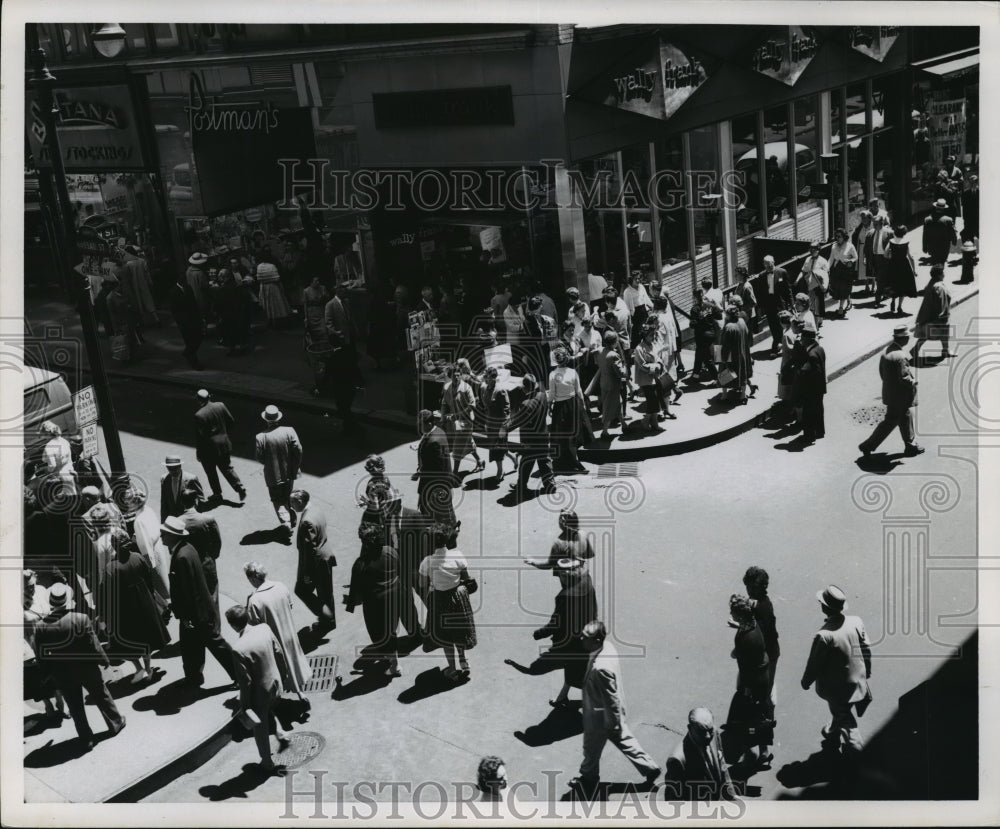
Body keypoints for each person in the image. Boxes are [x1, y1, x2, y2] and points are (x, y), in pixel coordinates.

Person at [570, 620, 660, 795]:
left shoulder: (601, 668)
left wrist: (612, 722)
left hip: (600, 717)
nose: (581, 638)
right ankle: (650, 768)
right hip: (610, 715)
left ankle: (588, 779)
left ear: (597, 640)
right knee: (624, 739)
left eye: (585, 637)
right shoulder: (607, 647)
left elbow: (611, 698)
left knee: (591, 749)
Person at [33, 583, 126, 750]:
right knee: (101, 696)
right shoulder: (81, 618)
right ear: (68, 601)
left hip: (62, 673)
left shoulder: (40, 627)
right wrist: (104, 661)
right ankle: (115, 723)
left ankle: (86, 738)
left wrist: (47, 673)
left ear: (51, 602)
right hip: (86, 667)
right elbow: (94, 645)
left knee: (75, 706)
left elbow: (41, 656)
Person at [162, 515, 236, 686]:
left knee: (214, 643)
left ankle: (239, 674)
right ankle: (194, 676)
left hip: (195, 612)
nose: (161, 536)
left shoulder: (181, 556)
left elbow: (189, 591)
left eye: (164, 533)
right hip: (199, 609)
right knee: (192, 646)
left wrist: (186, 616)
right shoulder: (187, 549)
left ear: (174, 536)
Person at [800, 585, 873, 756]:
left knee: (847, 722)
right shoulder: (856, 621)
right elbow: (866, 648)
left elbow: (814, 663)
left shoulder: (824, 635)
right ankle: (831, 732)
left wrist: (806, 681)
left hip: (837, 688)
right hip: (858, 682)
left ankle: (858, 754)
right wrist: (867, 670)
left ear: (825, 607)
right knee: (841, 711)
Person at [225, 605, 293, 771]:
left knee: (259, 728)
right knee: (270, 709)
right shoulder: (264, 628)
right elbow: (278, 652)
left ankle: (266, 762)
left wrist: (245, 705)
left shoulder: (238, 649)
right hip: (275, 682)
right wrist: (284, 674)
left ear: (233, 626)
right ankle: (281, 734)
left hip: (259, 693)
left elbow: (245, 682)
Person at [100, 528, 170, 685]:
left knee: (127, 645)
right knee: (146, 641)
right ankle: (148, 669)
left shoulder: (111, 568)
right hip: (145, 605)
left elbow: (108, 596)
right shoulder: (138, 557)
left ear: (113, 546)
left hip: (125, 611)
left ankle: (139, 669)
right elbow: (150, 581)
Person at [533, 557, 598, 709]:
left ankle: (598, 701)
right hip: (588, 632)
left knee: (578, 672)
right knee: (575, 668)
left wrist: (539, 633)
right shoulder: (586, 580)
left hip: (573, 640)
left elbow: (555, 623)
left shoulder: (565, 597)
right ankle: (562, 697)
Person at [418, 522, 477, 682]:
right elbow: (466, 578)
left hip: (439, 600)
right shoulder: (457, 555)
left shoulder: (427, 562)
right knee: (459, 631)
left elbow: (422, 584)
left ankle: (452, 669)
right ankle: (463, 659)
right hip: (458, 597)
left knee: (445, 636)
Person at [245, 562, 312, 699]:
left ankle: (279, 697)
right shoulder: (280, 586)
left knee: (279, 668)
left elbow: (253, 625)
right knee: (294, 662)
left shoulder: (254, 600)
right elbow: (290, 605)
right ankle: (299, 692)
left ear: (253, 578)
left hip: (274, 641)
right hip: (290, 634)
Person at [346, 524, 404, 678]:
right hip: (395, 597)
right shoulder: (391, 552)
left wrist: (349, 600)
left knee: (381, 635)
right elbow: (399, 571)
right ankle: (392, 658)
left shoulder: (360, 564)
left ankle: (395, 665)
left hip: (375, 605)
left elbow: (357, 599)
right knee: (391, 630)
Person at [858, 325, 924, 457]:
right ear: (903, 338)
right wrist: (914, 381)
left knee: (905, 417)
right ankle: (868, 445)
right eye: (907, 337)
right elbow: (905, 378)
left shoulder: (886, 351)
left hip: (891, 394)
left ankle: (910, 445)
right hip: (900, 397)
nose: (908, 339)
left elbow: (882, 373)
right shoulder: (900, 356)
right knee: (890, 422)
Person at [727, 594, 772, 769]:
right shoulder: (753, 624)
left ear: (738, 614)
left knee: (748, 719)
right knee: (761, 714)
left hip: (751, 683)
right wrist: (737, 626)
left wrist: (746, 689)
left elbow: (736, 655)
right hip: (762, 677)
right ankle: (764, 752)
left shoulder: (745, 638)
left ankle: (750, 755)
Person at [663, 708, 738, 802]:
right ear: (690, 728)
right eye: (701, 731)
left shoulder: (714, 734)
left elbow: (723, 767)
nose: (707, 736)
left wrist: (732, 796)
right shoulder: (677, 760)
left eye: (710, 730)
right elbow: (673, 799)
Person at [290, 489, 337, 631]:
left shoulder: (306, 521)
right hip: (326, 556)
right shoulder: (315, 509)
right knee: (326, 592)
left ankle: (326, 616)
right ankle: (329, 620)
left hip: (317, 563)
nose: (291, 505)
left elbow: (309, 550)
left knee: (301, 590)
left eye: (292, 502)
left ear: (300, 501)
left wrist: (307, 574)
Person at [255, 405, 303, 536]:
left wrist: (270, 463)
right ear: (278, 418)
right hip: (290, 473)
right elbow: (298, 450)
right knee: (287, 495)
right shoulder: (289, 430)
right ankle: (291, 517)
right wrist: (294, 466)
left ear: (266, 420)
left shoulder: (261, 437)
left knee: (277, 500)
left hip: (273, 475)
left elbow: (259, 458)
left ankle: (286, 522)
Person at [194, 389, 246, 504]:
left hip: (209, 448)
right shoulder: (220, 405)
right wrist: (223, 434)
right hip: (224, 443)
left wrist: (199, 453)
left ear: (198, 400)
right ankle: (239, 486)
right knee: (227, 468)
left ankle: (217, 494)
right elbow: (231, 421)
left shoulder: (199, 415)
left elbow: (200, 437)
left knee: (211, 472)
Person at [509, 374, 557, 497]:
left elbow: (517, 422)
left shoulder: (525, 404)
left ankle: (521, 486)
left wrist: (505, 429)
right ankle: (550, 485)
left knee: (525, 464)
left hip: (530, 440)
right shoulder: (542, 396)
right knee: (545, 462)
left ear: (524, 388)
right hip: (543, 435)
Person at [124, 487, 171, 610]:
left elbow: (146, 545)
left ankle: (165, 605)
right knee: (165, 574)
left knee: (157, 580)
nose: (127, 505)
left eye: (128, 502)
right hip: (158, 545)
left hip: (152, 553)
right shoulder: (148, 510)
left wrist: (150, 565)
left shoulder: (138, 520)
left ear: (134, 502)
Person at [548, 347, 591, 474]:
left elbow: (551, 394)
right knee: (573, 434)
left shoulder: (553, 375)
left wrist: (549, 406)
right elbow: (579, 391)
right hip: (573, 405)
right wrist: (583, 405)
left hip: (560, 407)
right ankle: (575, 460)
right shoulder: (573, 372)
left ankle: (563, 461)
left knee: (560, 435)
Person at [441, 362, 485, 480]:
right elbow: (444, 403)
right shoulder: (446, 387)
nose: (456, 377)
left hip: (466, 421)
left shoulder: (467, 387)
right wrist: (443, 417)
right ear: (450, 376)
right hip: (455, 422)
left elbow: (472, 405)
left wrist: (456, 415)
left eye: (458, 375)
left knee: (457, 446)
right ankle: (480, 461)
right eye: (454, 375)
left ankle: (455, 473)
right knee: (468, 442)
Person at [743, 567, 779, 710]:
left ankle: (768, 716)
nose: (749, 590)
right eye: (748, 587)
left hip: (767, 654)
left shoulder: (763, 608)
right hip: (760, 653)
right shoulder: (759, 601)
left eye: (752, 587)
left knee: (765, 693)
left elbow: (761, 634)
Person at [416, 409, 456, 523]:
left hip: (434, 486)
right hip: (442, 483)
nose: (419, 427)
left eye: (421, 424)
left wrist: (421, 493)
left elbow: (434, 470)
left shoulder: (433, 442)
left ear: (429, 424)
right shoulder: (439, 431)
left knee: (434, 516)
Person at [790, 319, 827, 442]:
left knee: (809, 412)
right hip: (820, 388)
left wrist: (802, 372)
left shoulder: (811, 355)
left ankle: (809, 435)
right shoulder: (819, 349)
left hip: (812, 389)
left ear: (807, 339)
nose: (801, 341)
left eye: (803, 338)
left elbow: (815, 372)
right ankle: (820, 431)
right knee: (818, 410)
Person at [586, 330, 626, 439]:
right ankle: (604, 432)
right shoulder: (614, 355)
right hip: (613, 384)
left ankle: (624, 425)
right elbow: (620, 373)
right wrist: (625, 368)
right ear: (615, 342)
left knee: (619, 403)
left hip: (604, 382)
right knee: (609, 407)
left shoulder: (601, 352)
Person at [912, 264, 955, 364]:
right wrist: (942, 316)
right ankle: (945, 351)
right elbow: (941, 302)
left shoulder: (932, 283)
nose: (944, 274)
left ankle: (915, 350)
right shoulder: (939, 286)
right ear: (940, 275)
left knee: (926, 334)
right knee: (942, 332)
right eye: (943, 273)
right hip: (936, 315)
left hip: (927, 315)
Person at [479, 367, 513, 485]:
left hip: (499, 425)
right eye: (485, 377)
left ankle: (500, 471)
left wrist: (503, 427)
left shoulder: (500, 390)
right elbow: (485, 407)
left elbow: (506, 410)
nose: (485, 379)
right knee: (497, 447)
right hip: (490, 423)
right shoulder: (484, 388)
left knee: (497, 449)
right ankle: (513, 459)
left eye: (487, 377)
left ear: (493, 378)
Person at [633, 320, 669, 431]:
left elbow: (657, 357)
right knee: (652, 401)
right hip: (645, 380)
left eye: (654, 334)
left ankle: (654, 423)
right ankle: (645, 421)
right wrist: (655, 366)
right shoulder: (639, 349)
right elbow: (642, 365)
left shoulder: (652, 345)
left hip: (655, 378)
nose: (653, 337)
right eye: (651, 335)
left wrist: (659, 364)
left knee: (656, 400)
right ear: (644, 336)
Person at [757, 255, 793, 354]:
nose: (769, 267)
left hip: (780, 303)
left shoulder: (782, 272)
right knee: (772, 324)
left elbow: (788, 289)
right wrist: (761, 306)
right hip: (769, 304)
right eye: (767, 265)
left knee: (781, 323)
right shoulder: (761, 276)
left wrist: (791, 303)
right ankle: (777, 341)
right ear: (764, 265)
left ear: (774, 262)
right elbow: (760, 292)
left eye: (770, 264)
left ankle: (780, 343)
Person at [169, 270, 204, 369]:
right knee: (189, 341)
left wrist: (199, 317)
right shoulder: (173, 292)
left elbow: (194, 303)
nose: (184, 279)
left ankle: (187, 353)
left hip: (193, 318)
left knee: (199, 337)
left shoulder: (188, 288)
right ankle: (194, 362)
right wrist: (181, 323)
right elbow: (174, 310)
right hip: (184, 322)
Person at [720, 306, 753, 405]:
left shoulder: (729, 327)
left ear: (728, 315)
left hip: (732, 355)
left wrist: (722, 358)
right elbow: (747, 333)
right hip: (743, 352)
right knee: (743, 373)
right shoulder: (742, 321)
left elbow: (724, 345)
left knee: (724, 373)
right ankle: (743, 395)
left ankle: (724, 396)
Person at [159, 454, 205, 523]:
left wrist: (196, 517)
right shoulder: (164, 479)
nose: (172, 471)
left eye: (175, 468)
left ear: (180, 466)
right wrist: (163, 522)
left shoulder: (191, 479)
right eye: (170, 469)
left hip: (189, 519)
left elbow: (201, 500)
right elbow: (164, 502)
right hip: (173, 520)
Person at [39, 420, 76, 502]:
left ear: (46, 433)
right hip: (70, 471)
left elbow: (52, 465)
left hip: (60, 477)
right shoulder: (64, 440)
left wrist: (46, 470)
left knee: (66, 501)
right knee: (74, 495)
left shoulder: (49, 446)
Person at [885, 225, 919, 316]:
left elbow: (885, 254)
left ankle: (892, 300)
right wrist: (914, 270)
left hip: (893, 265)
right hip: (904, 265)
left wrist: (891, 257)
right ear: (904, 233)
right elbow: (910, 257)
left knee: (894, 284)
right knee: (903, 286)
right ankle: (899, 306)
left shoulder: (891, 241)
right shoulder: (906, 242)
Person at [689, 287, 719, 382]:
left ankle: (717, 378)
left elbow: (693, 324)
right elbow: (719, 316)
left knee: (707, 358)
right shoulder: (710, 305)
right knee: (699, 353)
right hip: (711, 333)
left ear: (694, 297)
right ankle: (695, 375)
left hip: (702, 336)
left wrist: (697, 320)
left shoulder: (694, 309)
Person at [828, 227, 858, 318]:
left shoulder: (850, 246)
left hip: (846, 269)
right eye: (836, 236)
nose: (837, 238)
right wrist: (826, 268)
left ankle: (841, 308)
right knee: (838, 288)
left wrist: (851, 261)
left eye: (839, 236)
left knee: (843, 288)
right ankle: (848, 300)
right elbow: (831, 259)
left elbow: (855, 257)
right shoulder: (834, 246)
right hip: (837, 269)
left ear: (844, 237)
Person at [797, 243, 829, 327]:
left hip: (818, 285)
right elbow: (803, 271)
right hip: (809, 284)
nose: (812, 251)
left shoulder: (823, 261)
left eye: (814, 249)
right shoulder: (808, 259)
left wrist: (824, 286)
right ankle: (814, 322)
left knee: (818, 305)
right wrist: (797, 280)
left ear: (818, 250)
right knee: (811, 304)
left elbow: (826, 275)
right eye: (811, 249)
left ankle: (817, 323)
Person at [256, 258, 292, 328]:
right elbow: (277, 278)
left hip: (263, 287)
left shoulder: (259, 266)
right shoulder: (272, 266)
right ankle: (277, 322)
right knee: (276, 305)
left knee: (268, 305)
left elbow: (259, 278)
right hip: (273, 287)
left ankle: (270, 321)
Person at [922, 199, 957, 268]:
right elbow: (952, 232)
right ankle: (939, 275)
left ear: (936, 207)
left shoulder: (927, 219)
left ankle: (935, 275)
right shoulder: (948, 220)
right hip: (944, 247)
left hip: (932, 246)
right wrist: (954, 241)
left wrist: (924, 246)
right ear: (944, 209)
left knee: (934, 261)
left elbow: (925, 234)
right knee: (942, 262)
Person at [869, 216, 893, 307]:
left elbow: (893, 245)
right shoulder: (871, 233)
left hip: (885, 258)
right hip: (875, 258)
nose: (874, 226)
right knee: (879, 279)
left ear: (882, 223)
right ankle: (885, 294)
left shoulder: (889, 233)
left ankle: (877, 300)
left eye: (876, 224)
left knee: (880, 279)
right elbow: (868, 247)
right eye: (873, 224)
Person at [851, 210, 876, 298]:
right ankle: (866, 286)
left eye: (865, 218)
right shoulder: (859, 228)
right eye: (862, 218)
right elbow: (855, 237)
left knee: (871, 267)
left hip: (870, 250)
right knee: (863, 268)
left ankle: (873, 285)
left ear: (869, 218)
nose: (863, 219)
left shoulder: (873, 227)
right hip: (861, 249)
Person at [185, 252, 211, 326]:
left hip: (192, 296)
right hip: (201, 297)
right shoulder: (200, 273)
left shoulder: (188, 270)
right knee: (204, 314)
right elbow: (205, 286)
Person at [735, 267, 759, 334]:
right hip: (742, 315)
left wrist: (742, 309)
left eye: (737, 275)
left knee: (747, 337)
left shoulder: (747, 286)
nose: (735, 277)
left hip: (747, 316)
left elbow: (753, 302)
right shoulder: (739, 285)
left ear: (742, 275)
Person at [960, 175, 979, 243]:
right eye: (971, 182)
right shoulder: (966, 193)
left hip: (978, 219)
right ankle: (971, 251)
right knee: (969, 236)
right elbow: (964, 207)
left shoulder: (981, 193)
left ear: (977, 182)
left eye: (974, 182)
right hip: (969, 219)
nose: (972, 184)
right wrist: (965, 219)